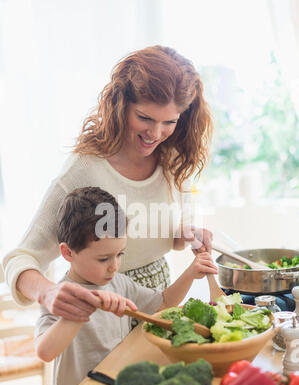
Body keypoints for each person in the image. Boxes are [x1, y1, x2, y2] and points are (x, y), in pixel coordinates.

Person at [3, 45, 213, 323]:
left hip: (159, 308)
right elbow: (19, 259)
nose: (156, 133)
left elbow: (163, 240)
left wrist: (187, 234)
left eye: (169, 122)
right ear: (120, 105)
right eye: (145, 118)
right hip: (99, 316)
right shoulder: (85, 169)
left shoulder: (172, 158)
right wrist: (49, 293)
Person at [35, 187, 217, 385]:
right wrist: (81, 310)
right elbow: (45, 351)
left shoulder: (118, 283)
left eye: (120, 254)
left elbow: (164, 303)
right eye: (103, 259)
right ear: (68, 253)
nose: (114, 266)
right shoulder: (59, 296)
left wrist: (190, 273)